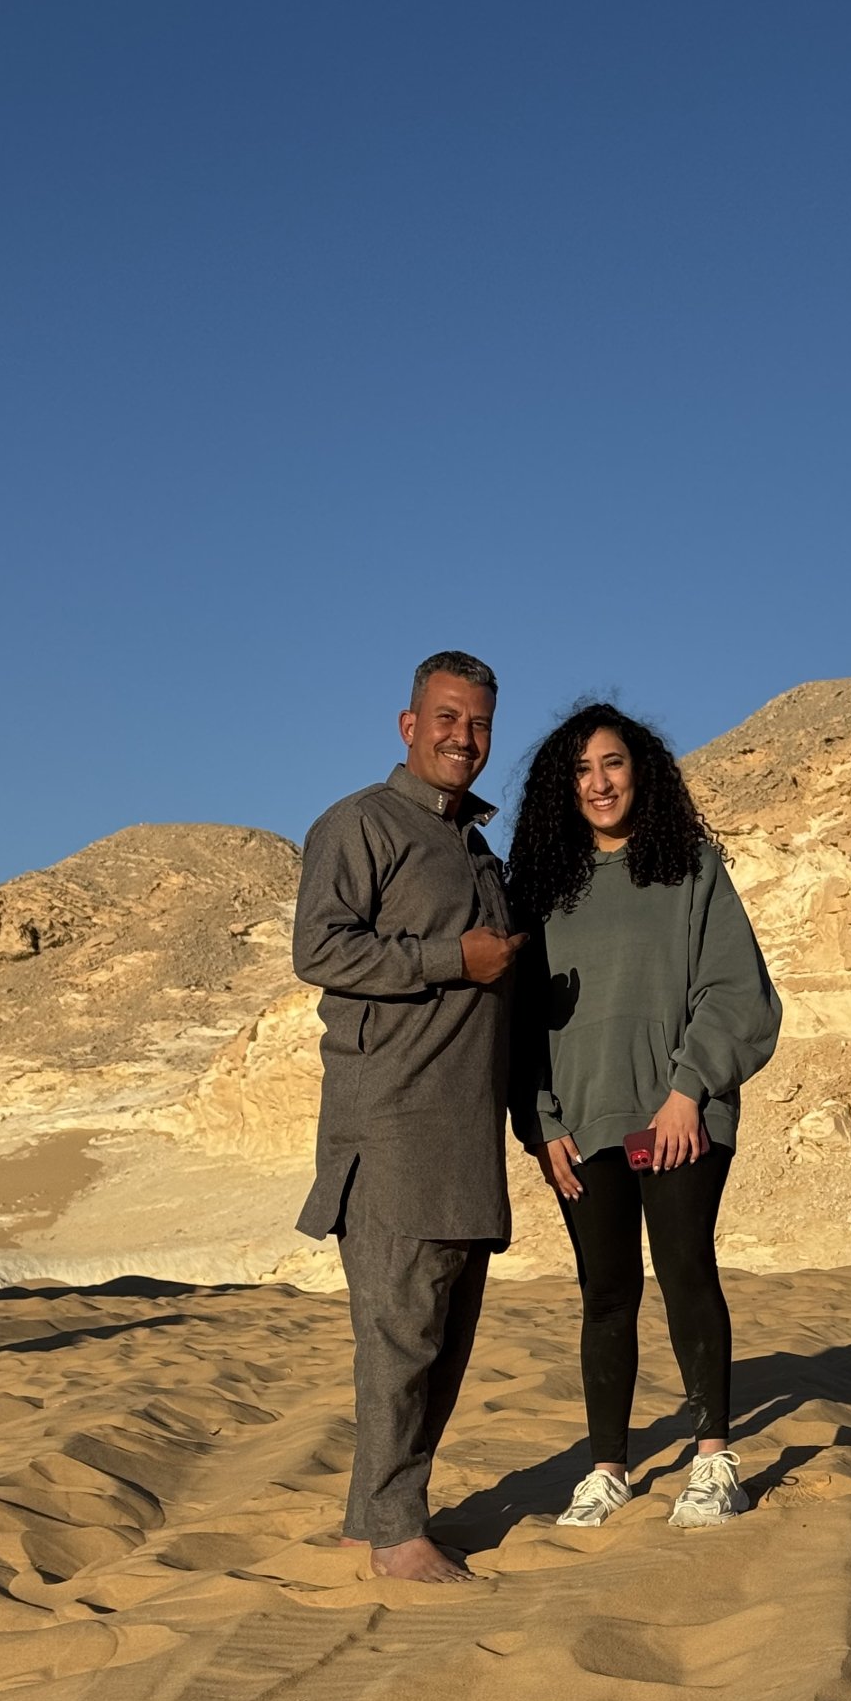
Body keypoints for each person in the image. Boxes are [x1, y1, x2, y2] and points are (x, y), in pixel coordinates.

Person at [508, 702, 781, 1529]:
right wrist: (541, 1119)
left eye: (613, 763)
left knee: (685, 1266)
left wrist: (688, 1090)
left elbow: (738, 991)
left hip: (678, 1116)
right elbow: (518, 1022)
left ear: (641, 770)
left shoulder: (689, 867)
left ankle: (714, 1459)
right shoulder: (541, 890)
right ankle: (607, 1470)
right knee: (606, 1291)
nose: (599, 783)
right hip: (583, 1121)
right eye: (581, 770)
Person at [294, 651, 524, 1584]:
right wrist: (448, 959)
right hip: (391, 1127)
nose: (463, 737)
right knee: (400, 1337)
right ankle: (397, 1537)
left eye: (479, 723)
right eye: (447, 717)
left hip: (466, 1135)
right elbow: (319, 948)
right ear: (408, 724)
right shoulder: (360, 824)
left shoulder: (479, 850)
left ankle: (371, 1523)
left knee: (441, 1338)